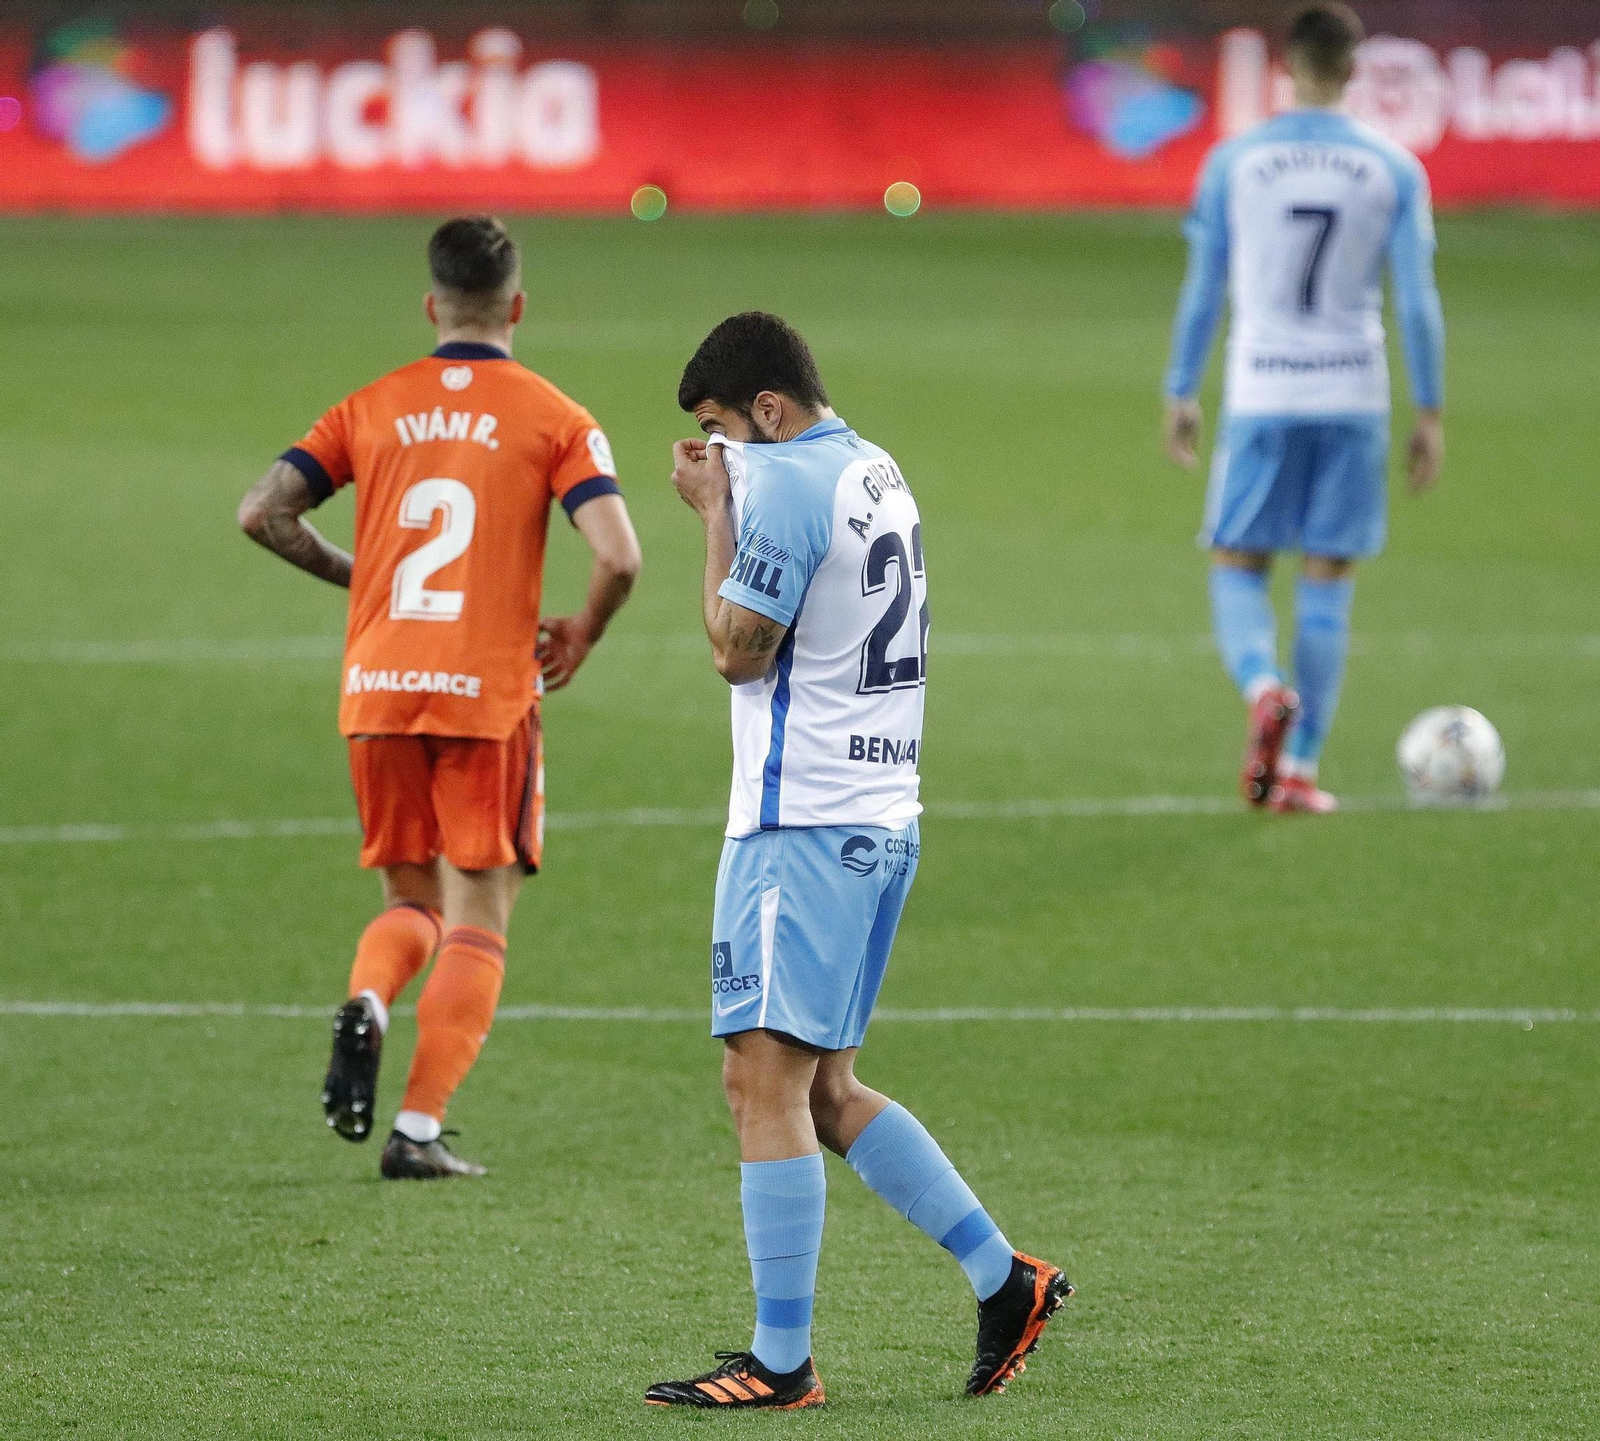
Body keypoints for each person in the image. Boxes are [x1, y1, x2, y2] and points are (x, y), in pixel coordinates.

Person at [647, 312, 1069, 1410]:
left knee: (760, 1082)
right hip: (879, 815)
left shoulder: (782, 483)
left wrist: (712, 518)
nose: (716, 451)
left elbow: (739, 652)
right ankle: (1003, 1278)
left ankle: (780, 1363)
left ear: (770, 411)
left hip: (803, 822)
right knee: (822, 1088)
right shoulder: (873, 467)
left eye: (719, 429)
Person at [237, 217, 641, 1178]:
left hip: (377, 685)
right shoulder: (554, 415)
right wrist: (581, 628)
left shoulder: (370, 406)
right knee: (478, 916)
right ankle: (417, 1129)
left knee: (408, 898)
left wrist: (363, 576)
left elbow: (263, 511)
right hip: (484, 695)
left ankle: (371, 1000)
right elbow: (620, 554)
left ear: (431, 305)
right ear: (518, 306)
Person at [1162, 1, 1446, 813]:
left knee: (1237, 563)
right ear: (1354, 73)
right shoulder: (1392, 167)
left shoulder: (1234, 163)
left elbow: (1204, 285)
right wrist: (1429, 408)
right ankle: (1301, 771)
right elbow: (1418, 301)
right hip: (1353, 394)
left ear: (1288, 70)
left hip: (1263, 392)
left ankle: (1262, 686)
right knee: (1328, 582)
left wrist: (1182, 387)